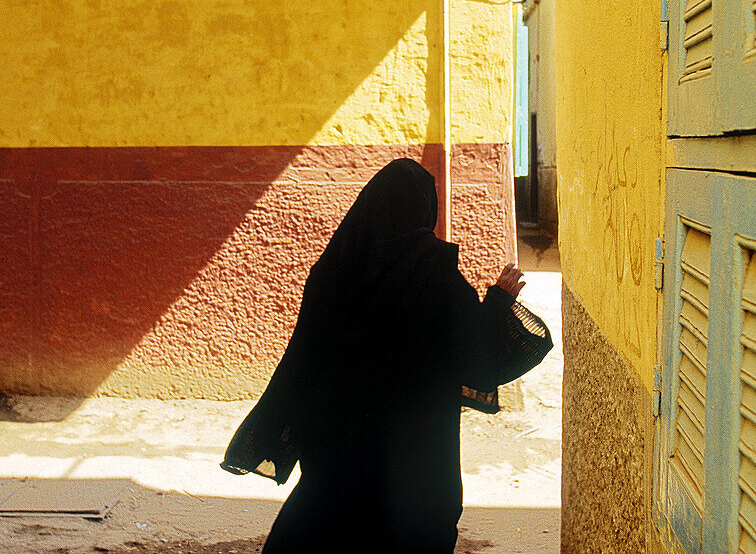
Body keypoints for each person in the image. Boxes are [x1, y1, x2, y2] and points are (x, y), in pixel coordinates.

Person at [221, 158, 552, 553]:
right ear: (421, 208)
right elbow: (479, 357)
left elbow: (304, 360)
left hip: (335, 456)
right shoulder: (435, 275)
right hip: (413, 464)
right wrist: (500, 302)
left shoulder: (332, 270)